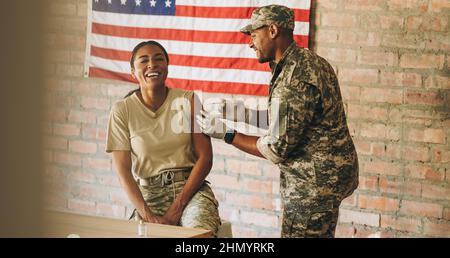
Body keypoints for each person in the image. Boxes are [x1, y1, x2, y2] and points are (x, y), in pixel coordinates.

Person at [197, 5, 358, 238]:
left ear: (272, 30)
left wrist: (227, 134)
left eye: (253, 35)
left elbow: (276, 148)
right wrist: (239, 113)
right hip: (331, 176)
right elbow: (292, 122)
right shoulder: (308, 61)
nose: (250, 43)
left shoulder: (293, 78)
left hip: (312, 187)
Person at [106, 40, 221, 235]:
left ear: (167, 67)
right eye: (144, 60)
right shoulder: (122, 110)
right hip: (149, 194)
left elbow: (205, 158)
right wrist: (148, 216)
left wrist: (177, 208)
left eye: (159, 59)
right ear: (133, 72)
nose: (152, 64)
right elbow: (123, 170)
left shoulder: (189, 100)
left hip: (191, 190)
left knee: (198, 236)